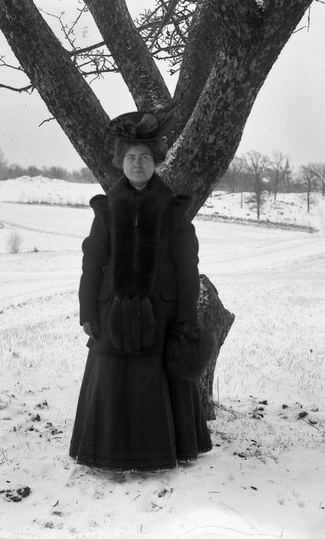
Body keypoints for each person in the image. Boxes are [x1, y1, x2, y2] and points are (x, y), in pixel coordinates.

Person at [69, 109, 213, 471]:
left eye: (144, 158)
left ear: (156, 161)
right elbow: (92, 261)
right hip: (112, 314)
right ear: (121, 162)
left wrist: (186, 319)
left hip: (161, 316)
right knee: (113, 381)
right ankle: (108, 452)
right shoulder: (106, 208)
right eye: (131, 157)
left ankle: (164, 451)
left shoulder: (173, 209)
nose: (137, 164)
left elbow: (187, 266)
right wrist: (88, 311)